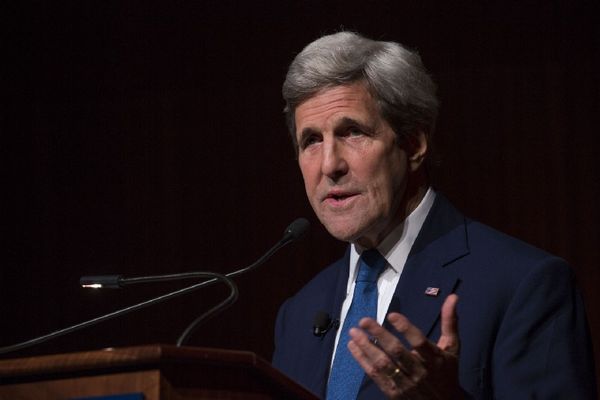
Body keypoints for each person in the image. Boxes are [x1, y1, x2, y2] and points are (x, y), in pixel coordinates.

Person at [271, 31, 597, 399]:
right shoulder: (298, 315)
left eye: (353, 132)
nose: (329, 165)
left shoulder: (523, 285)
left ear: (414, 144)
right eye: (311, 140)